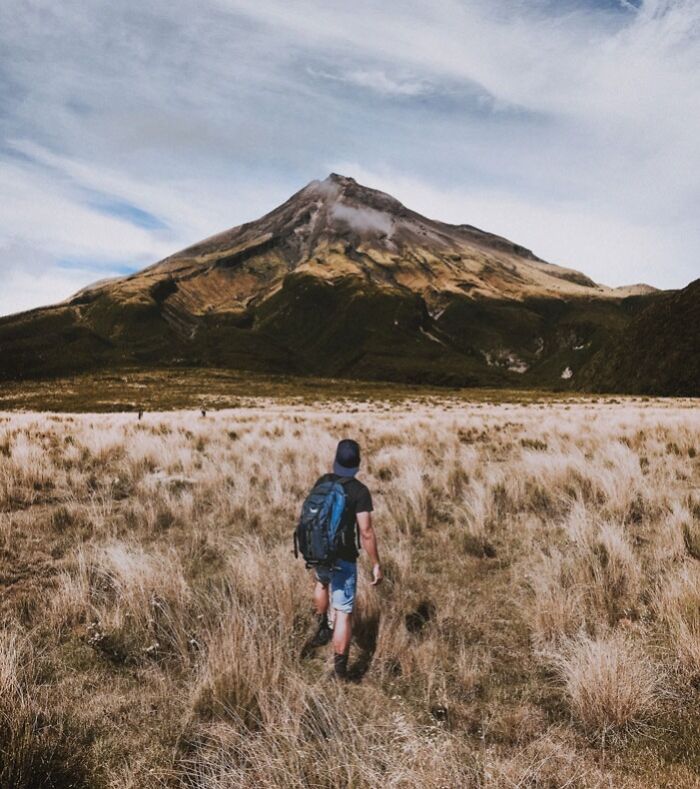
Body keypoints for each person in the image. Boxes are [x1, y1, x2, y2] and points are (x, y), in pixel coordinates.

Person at [309, 438, 382, 680]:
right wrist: (375, 564)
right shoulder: (360, 492)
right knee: (343, 611)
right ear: (357, 464)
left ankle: (322, 627)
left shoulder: (323, 482)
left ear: (336, 459)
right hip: (344, 557)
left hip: (318, 551)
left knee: (321, 584)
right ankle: (340, 671)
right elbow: (366, 532)